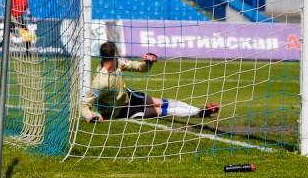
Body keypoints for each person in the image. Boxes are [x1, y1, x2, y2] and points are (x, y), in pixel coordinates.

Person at [81, 41, 220, 123]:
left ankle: (199, 111)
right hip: (117, 111)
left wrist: (148, 62)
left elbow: (140, 68)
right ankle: (199, 113)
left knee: (160, 102)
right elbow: (84, 105)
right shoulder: (100, 82)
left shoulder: (118, 63)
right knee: (157, 110)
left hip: (127, 95)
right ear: (114, 55)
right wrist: (91, 116)